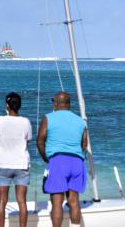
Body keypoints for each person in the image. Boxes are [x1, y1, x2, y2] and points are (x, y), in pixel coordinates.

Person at [37, 92, 88, 227]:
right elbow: (84, 144)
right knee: (73, 201)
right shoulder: (81, 121)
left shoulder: (48, 118)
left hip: (58, 161)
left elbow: (40, 141)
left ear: (55, 103)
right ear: (69, 104)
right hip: (77, 162)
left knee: (57, 202)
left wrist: (46, 159)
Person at [0, 92, 32, 227]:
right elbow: (28, 140)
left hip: (2, 163)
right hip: (21, 164)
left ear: (7, 105)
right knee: (22, 202)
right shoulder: (25, 121)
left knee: (2, 201)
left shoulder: (0, 120)